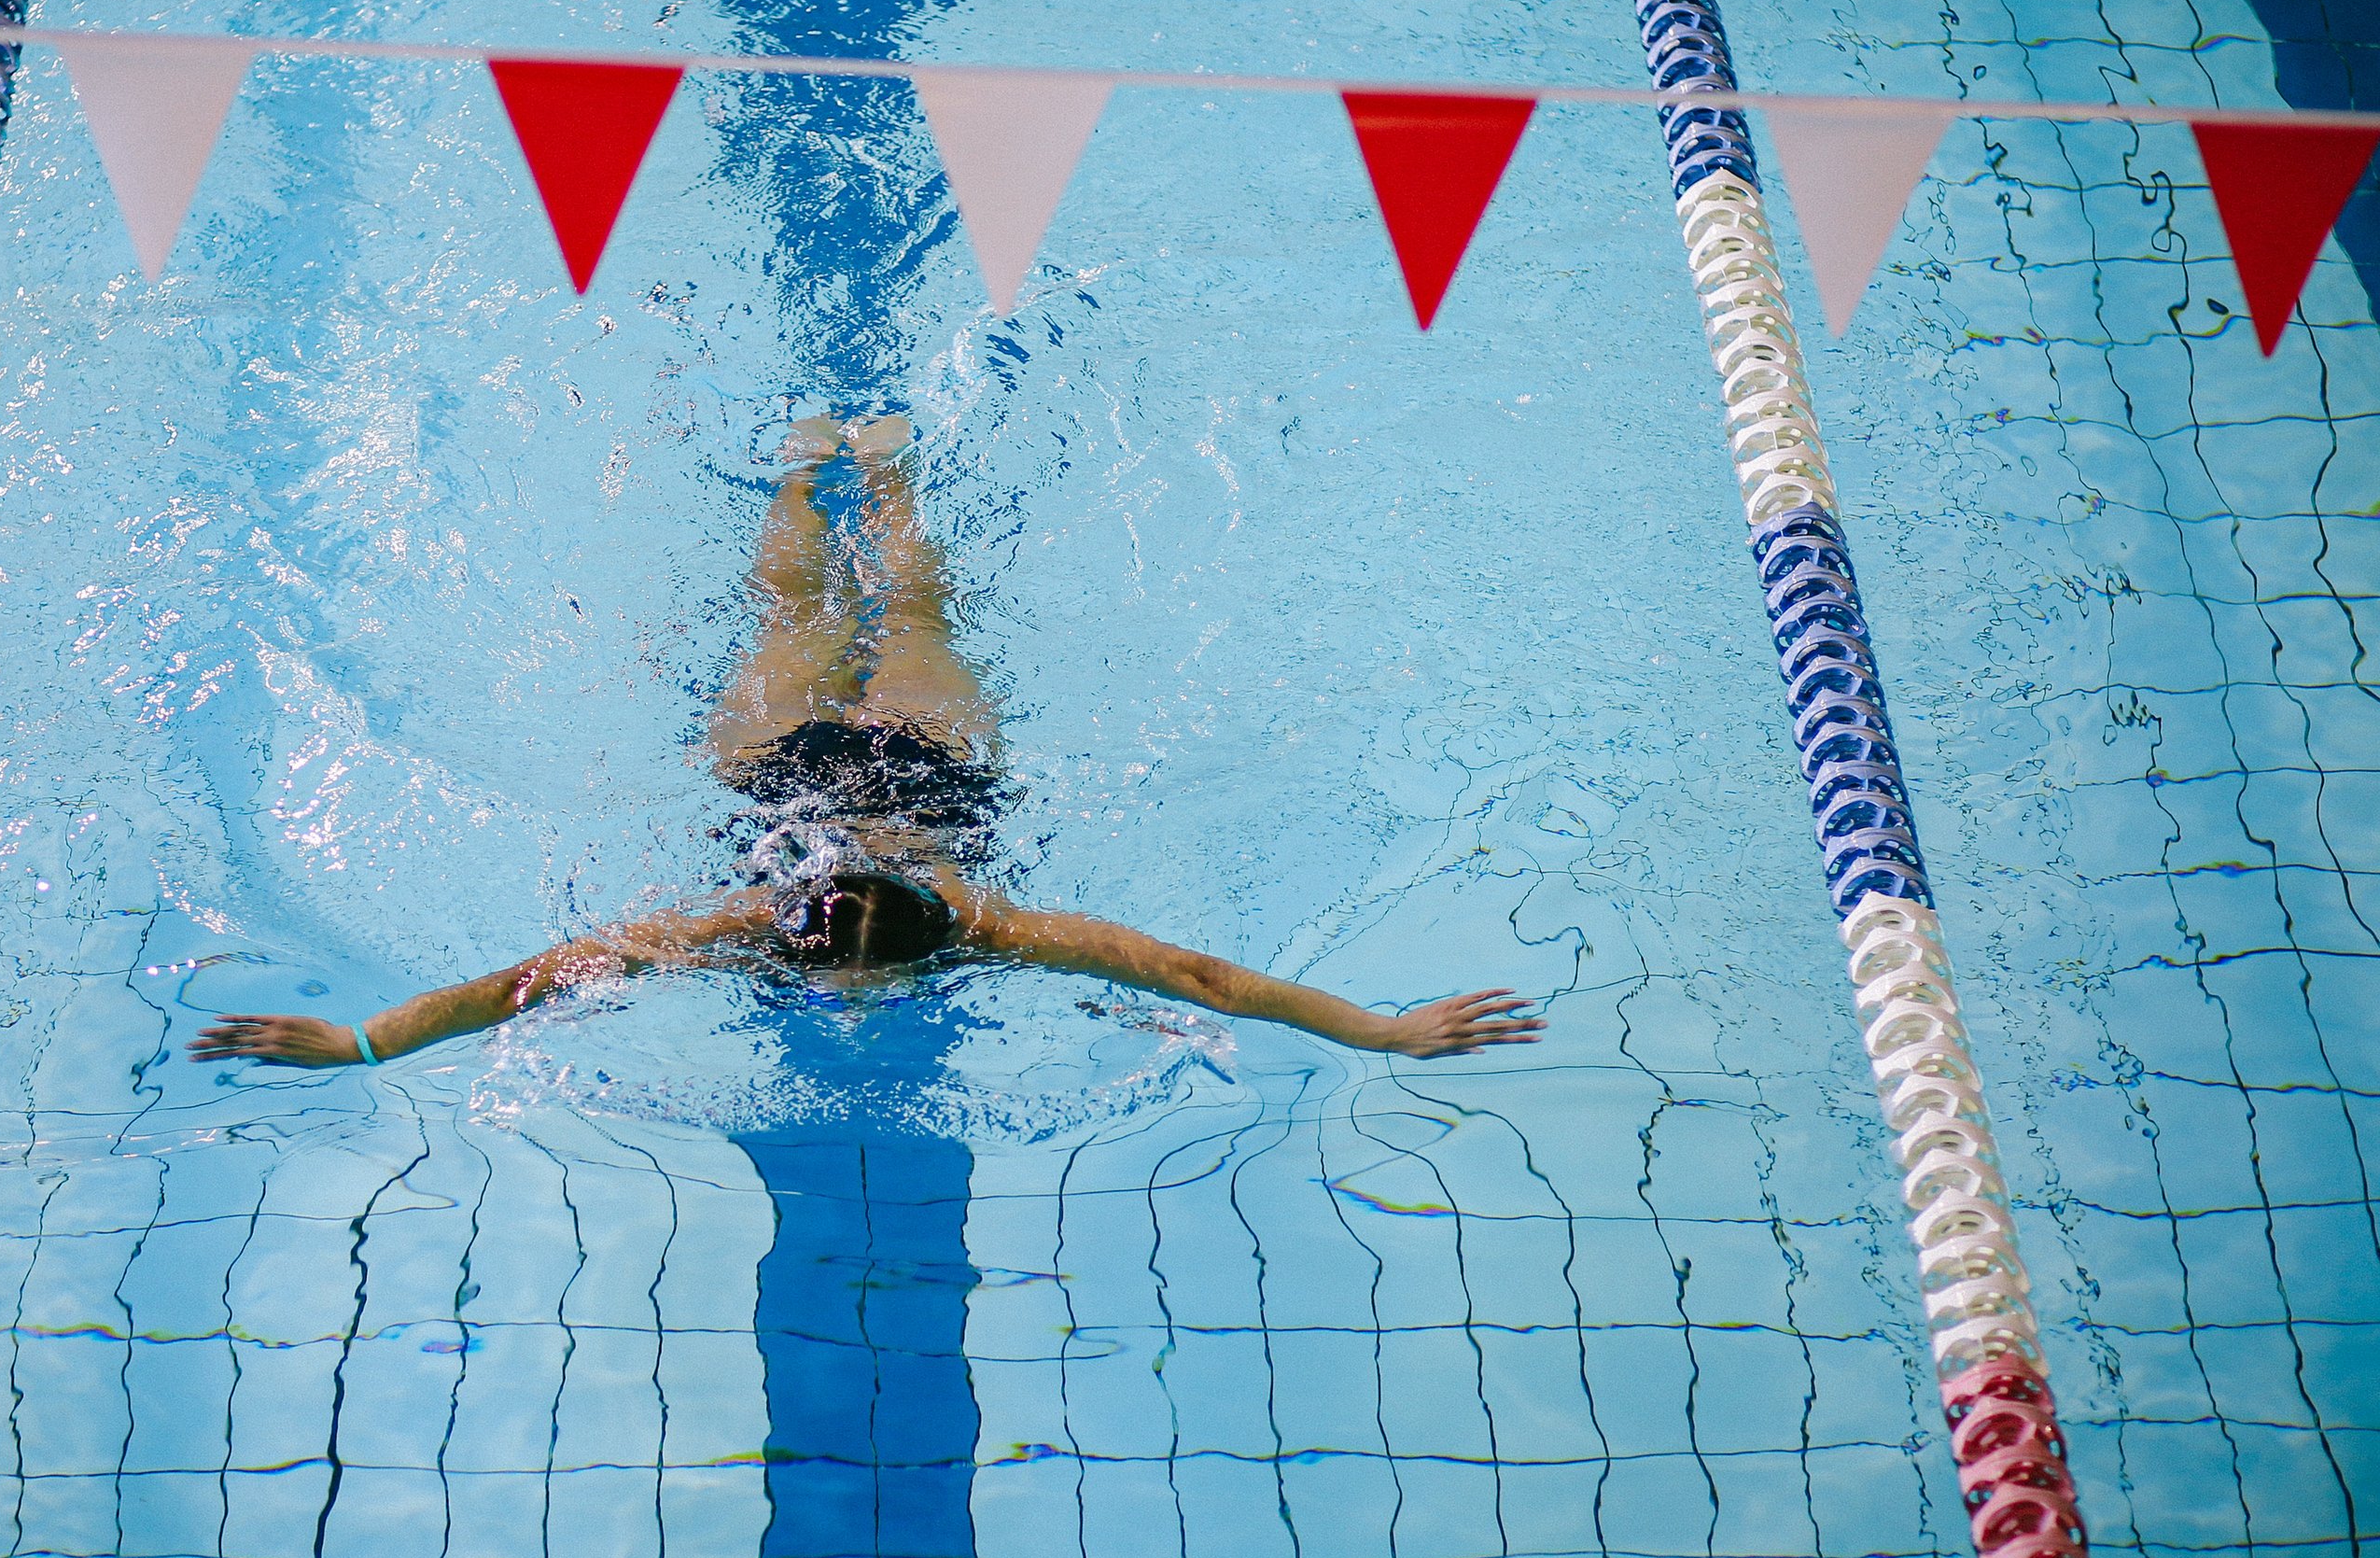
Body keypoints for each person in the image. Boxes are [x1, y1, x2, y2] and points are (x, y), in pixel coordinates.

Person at [191, 415, 1544, 1072]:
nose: (842, 997)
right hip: (802, 761)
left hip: (913, 761)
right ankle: (856, 466)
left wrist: (373, 1045)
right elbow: (1194, 975)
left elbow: (525, 981)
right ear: (899, 919)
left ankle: (836, 463)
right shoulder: (961, 923)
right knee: (841, 606)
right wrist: (1373, 1031)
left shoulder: (841, 918)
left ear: (801, 920)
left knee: (863, 605)